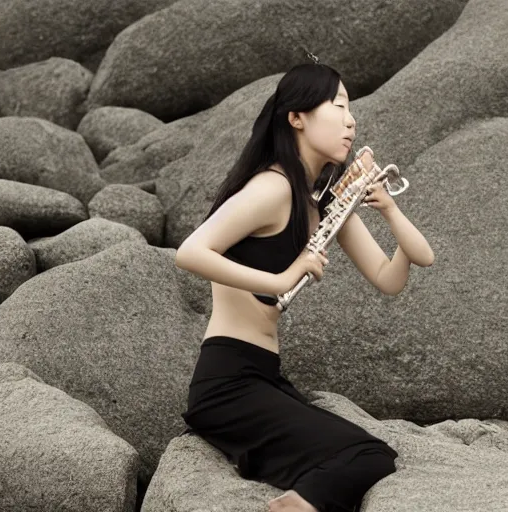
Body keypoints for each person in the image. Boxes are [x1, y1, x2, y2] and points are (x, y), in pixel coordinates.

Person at [174, 61, 435, 512]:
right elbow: (191, 252)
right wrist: (283, 276)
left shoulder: (323, 206)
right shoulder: (272, 188)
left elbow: (389, 279)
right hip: (227, 382)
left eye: (351, 110)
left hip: (264, 377)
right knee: (365, 456)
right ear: (296, 117)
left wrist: (389, 210)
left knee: (371, 456)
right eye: (337, 106)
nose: (351, 121)